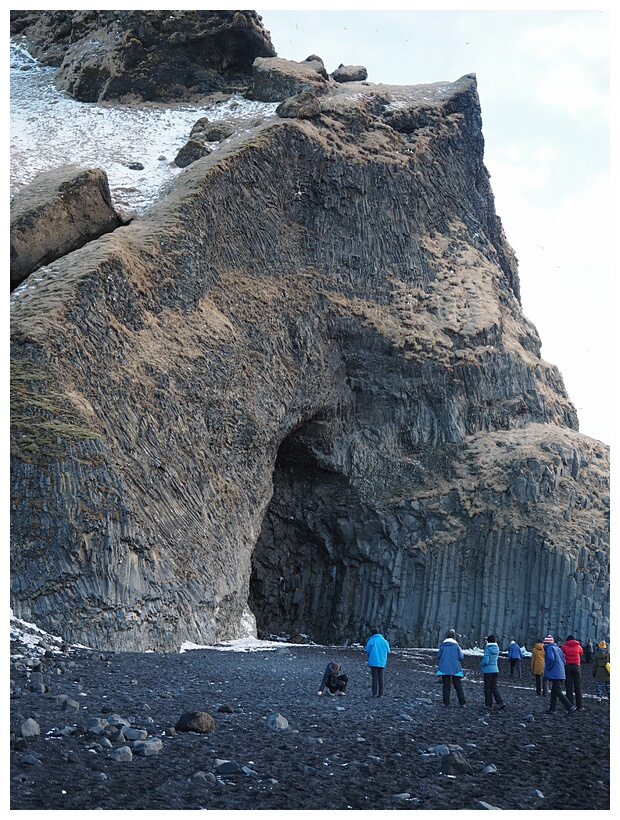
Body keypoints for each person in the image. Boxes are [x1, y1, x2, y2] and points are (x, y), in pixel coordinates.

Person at [543, 635, 577, 715]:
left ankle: (570, 707)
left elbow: (551, 659)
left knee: (557, 690)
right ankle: (552, 709)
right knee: (554, 690)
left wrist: (548, 668)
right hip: (561, 672)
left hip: (555, 673)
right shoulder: (558, 649)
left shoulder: (549, 649)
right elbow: (564, 660)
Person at [436, 629, 466, 707]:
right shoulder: (456, 646)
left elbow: (438, 656)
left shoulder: (442, 646)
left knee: (446, 686)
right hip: (455, 668)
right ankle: (462, 703)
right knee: (458, 685)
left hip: (444, 668)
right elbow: (461, 657)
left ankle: (446, 703)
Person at [480, 634, 506, 711]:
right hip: (495, 669)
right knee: (494, 687)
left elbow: (486, 660)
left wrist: (481, 665)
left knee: (487, 688)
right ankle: (501, 702)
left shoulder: (487, 649)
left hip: (488, 671)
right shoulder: (497, 648)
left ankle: (488, 704)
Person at [365, 628, 390, 697]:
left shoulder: (371, 640)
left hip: (373, 661)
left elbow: (367, 650)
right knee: (381, 677)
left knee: (374, 678)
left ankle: (374, 693)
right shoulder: (384, 641)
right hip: (382, 661)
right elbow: (388, 651)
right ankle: (381, 693)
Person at [561, 634, 584, 710]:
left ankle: (570, 705)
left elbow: (561, 653)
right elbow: (581, 652)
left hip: (568, 666)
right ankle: (580, 706)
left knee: (568, 686)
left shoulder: (564, 646)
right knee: (578, 686)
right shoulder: (578, 646)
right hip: (576, 666)